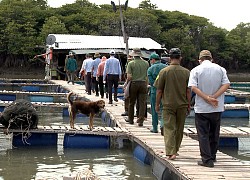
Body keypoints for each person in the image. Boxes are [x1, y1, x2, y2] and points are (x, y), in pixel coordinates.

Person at [188, 50, 230, 168]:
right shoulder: (220, 69)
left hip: (202, 108)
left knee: (203, 134)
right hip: (217, 106)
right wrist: (214, 97)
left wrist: (206, 98)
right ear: (211, 59)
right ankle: (213, 155)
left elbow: (193, 87)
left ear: (200, 60)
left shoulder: (195, 70)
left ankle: (206, 160)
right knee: (214, 133)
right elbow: (226, 84)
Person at [155, 48, 191, 160]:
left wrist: (157, 104)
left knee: (169, 128)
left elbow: (159, 90)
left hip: (168, 104)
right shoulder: (186, 72)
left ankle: (171, 152)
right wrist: (189, 104)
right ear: (180, 58)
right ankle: (176, 149)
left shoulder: (164, 72)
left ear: (169, 58)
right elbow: (188, 91)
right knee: (179, 129)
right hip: (182, 104)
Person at [125, 48, 149, 126]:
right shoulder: (146, 63)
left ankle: (131, 119)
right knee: (142, 103)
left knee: (132, 102)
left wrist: (125, 85)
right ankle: (141, 120)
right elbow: (146, 76)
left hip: (134, 83)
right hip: (143, 84)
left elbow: (129, 77)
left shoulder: (131, 63)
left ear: (133, 55)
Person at [147, 53, 167, 134]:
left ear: (153, 60)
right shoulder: (166, 67)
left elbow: (151, 82)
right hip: (165, 91)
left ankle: (155, 128)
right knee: (164, 109)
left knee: (154, 109)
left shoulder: (150, 69)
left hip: (154, 91)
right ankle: (162, 124)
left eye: (150, 60)